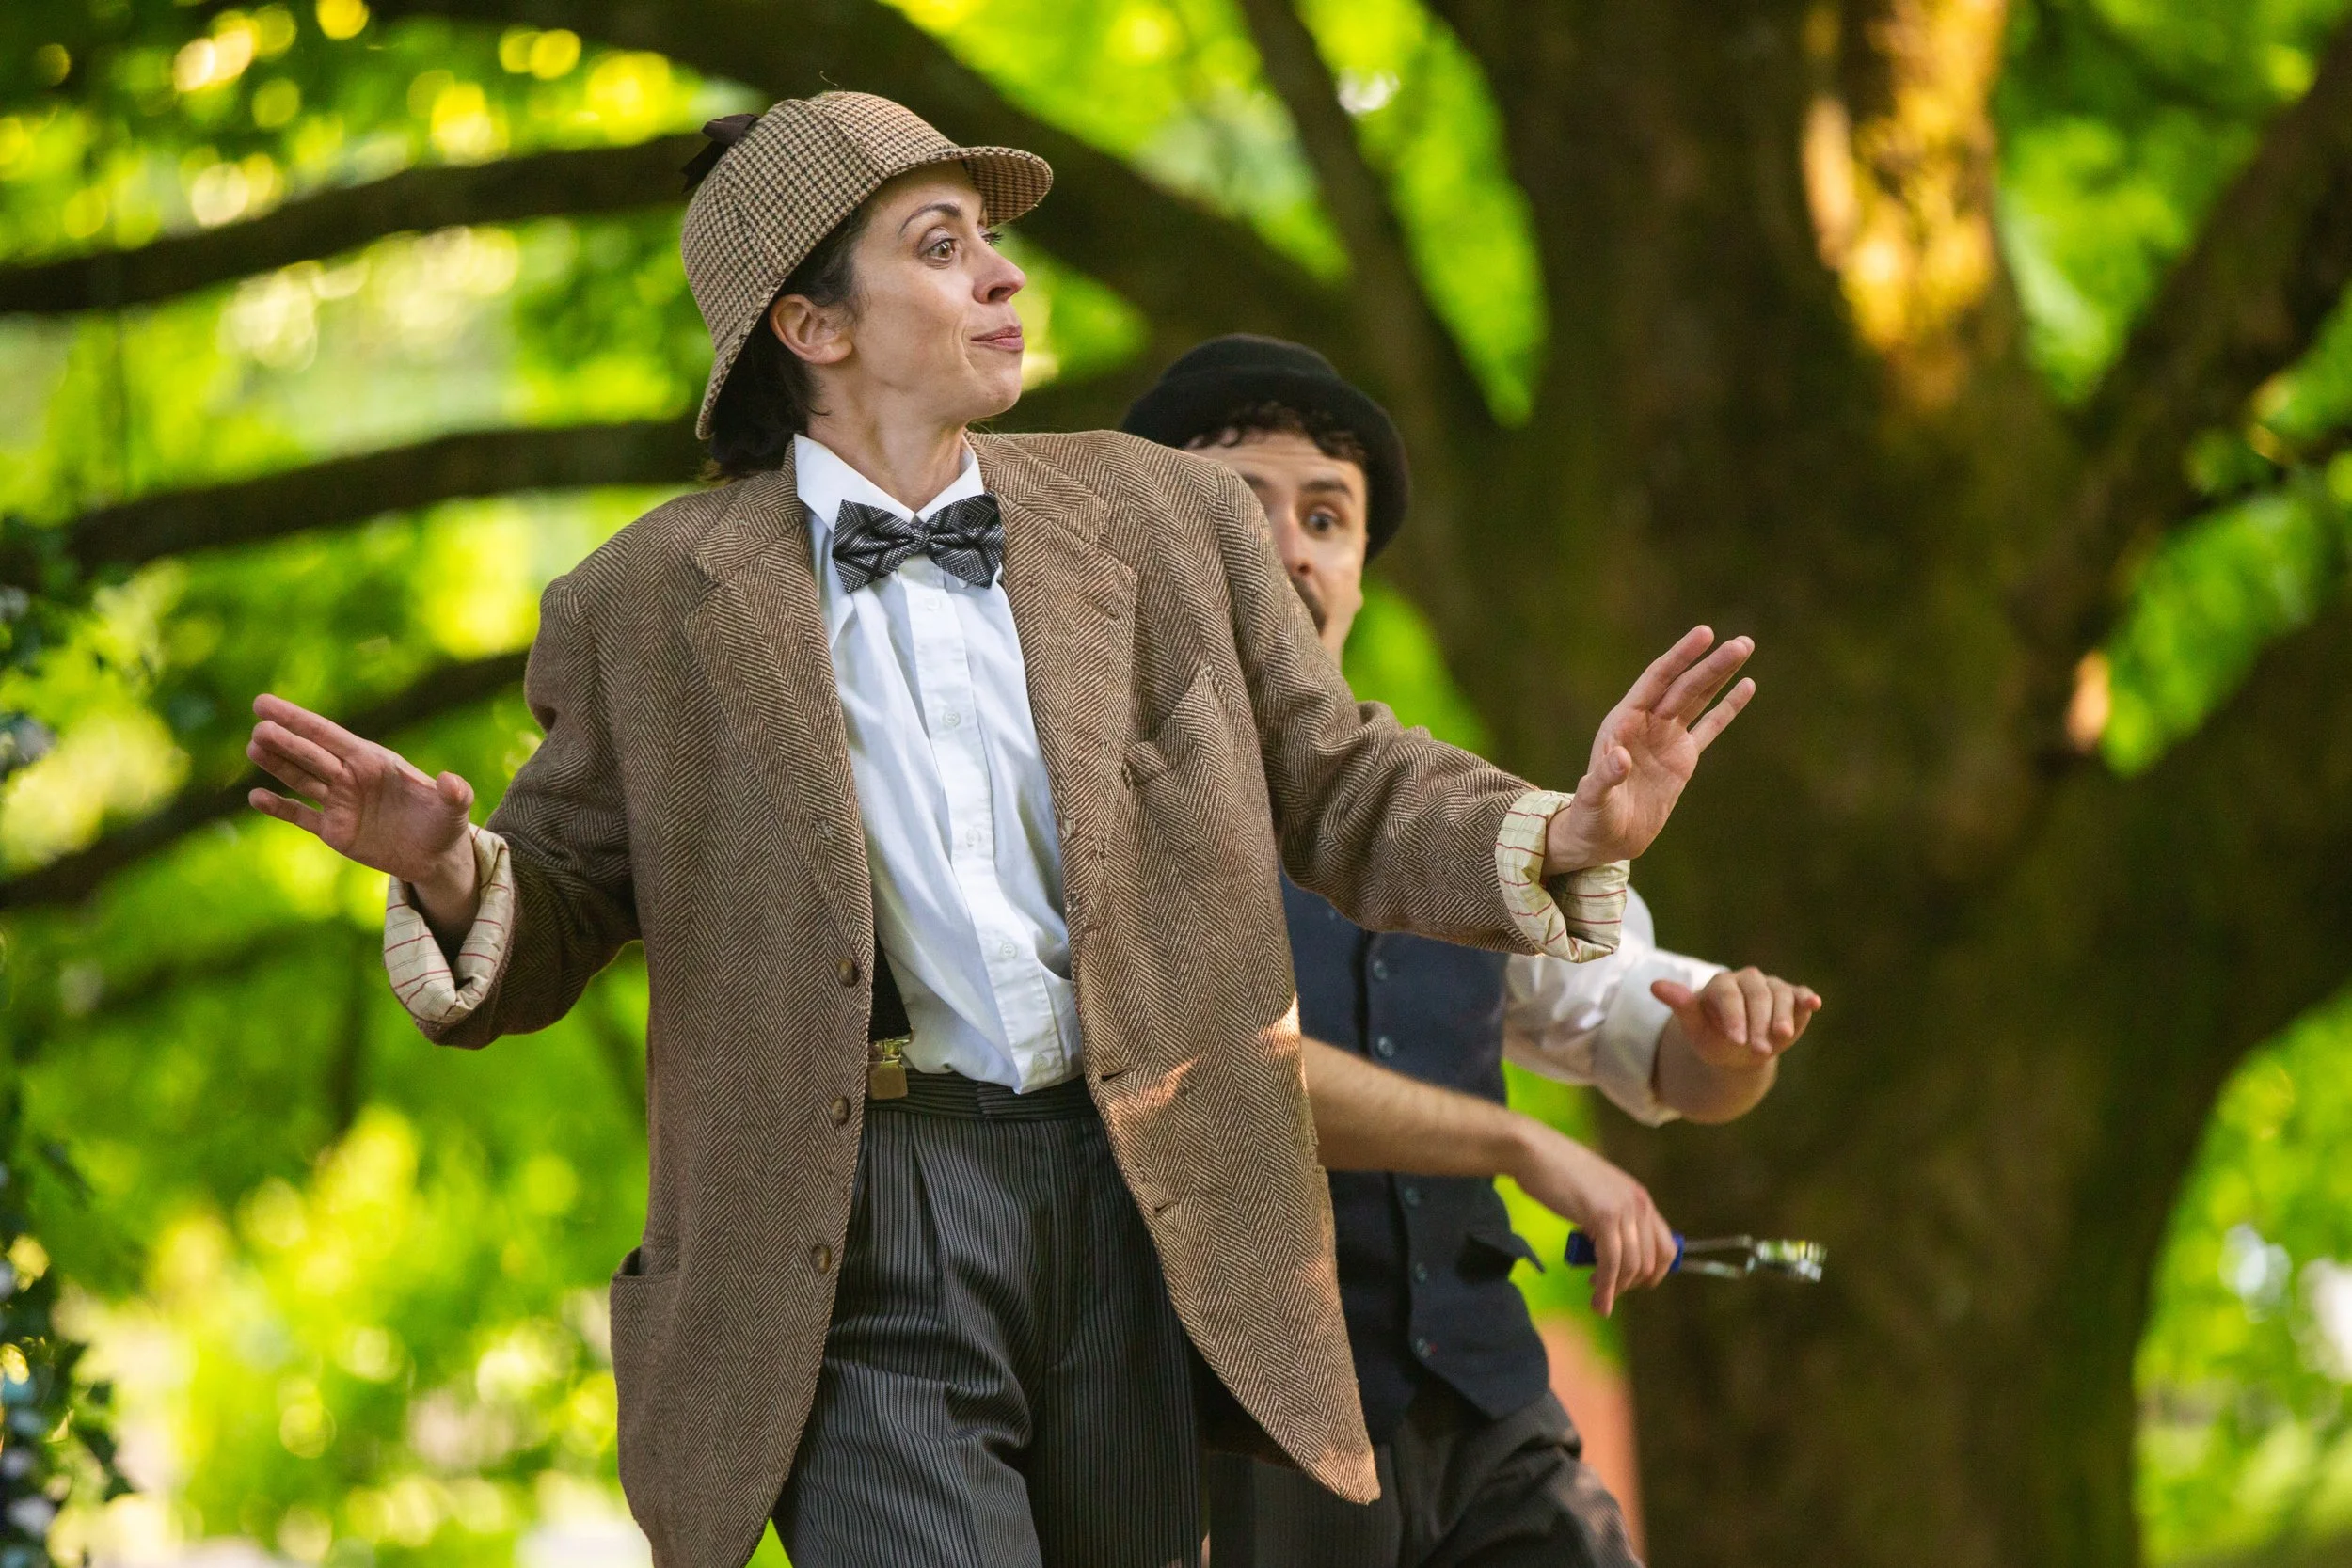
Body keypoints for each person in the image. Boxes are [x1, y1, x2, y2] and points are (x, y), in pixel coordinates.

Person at [241, 96, 1757, 1568]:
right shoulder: (642, 603)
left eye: (990, 241)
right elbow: (562, 905)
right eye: (942, 245)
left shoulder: (1166, 515)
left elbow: (1338, 774)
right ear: (812, 326)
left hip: (1141, 1191)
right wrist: (446, 867)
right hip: (856, 1225)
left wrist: (1565, 829)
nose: (1004, 275)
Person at [1122, 336, 1820, 1568]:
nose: (1291, 547)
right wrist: (1518, 1143)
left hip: (1484, 1416)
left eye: (1327, 518)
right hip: (1234, 1432)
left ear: (1357, 572)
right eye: (1238, 505)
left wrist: (1729, 1045)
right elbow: (1213, 1075)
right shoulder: (1091, 808)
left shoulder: (1454, 821)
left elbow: (1655, 1052)